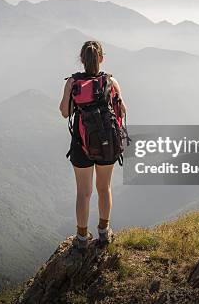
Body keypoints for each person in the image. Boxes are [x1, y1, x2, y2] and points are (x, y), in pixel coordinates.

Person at [59, 40, 127, 250]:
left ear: (82, 60)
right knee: (104, 188)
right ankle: (104, 233)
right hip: (107, 142)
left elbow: (65, 112)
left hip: (81, 143)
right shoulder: (111, 81)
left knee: (84, 192)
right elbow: (122, 111)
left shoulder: (73, 83)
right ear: (101, 59)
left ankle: (81, 237)